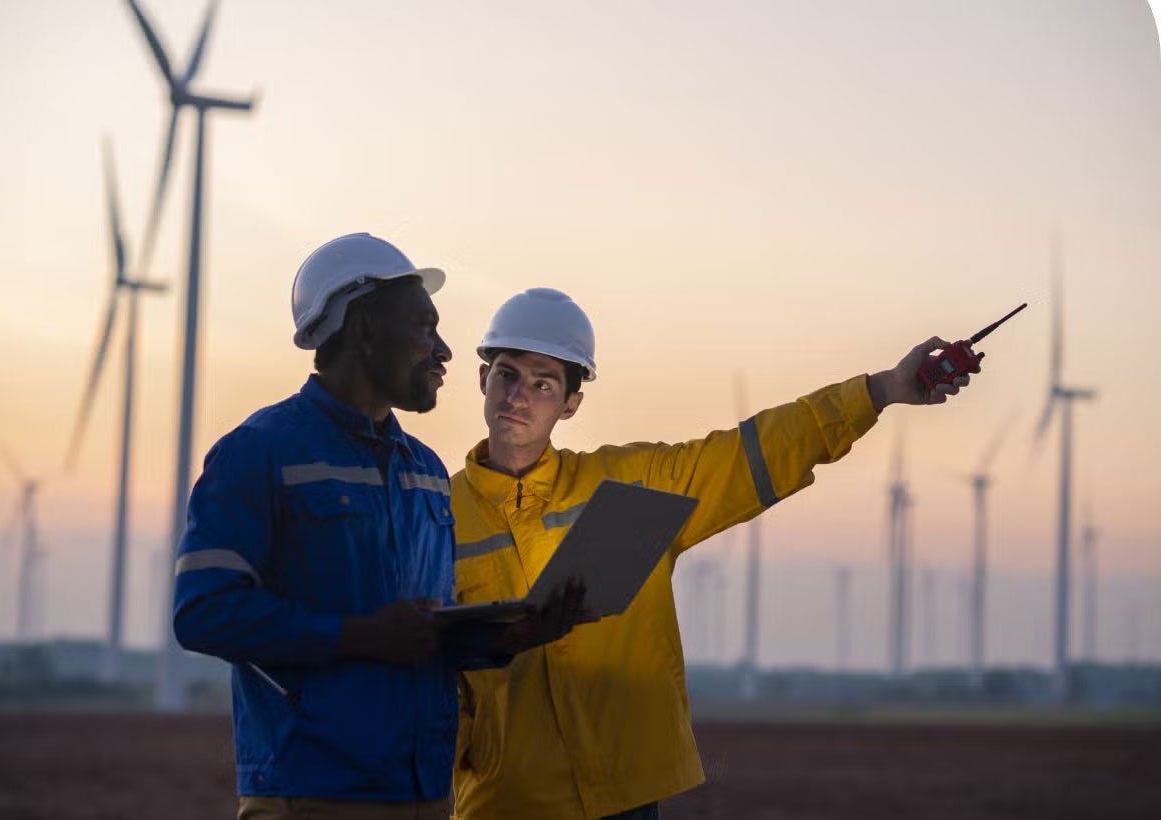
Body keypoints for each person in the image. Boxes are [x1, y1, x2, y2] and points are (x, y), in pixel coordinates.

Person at [449, 287, 975, 820]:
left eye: (542, 383)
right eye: (507, 374)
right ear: (482, 378)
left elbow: (757, 450)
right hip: (505, 799)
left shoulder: (628, 489)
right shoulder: (436, 512)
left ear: (571, 402)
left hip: (623, 796)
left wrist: (880, 390)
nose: (517, 396)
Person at [171, 236, 584, 820]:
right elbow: (203, 612)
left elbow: (421, 633)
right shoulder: (259, 453)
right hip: (311, 792)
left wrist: (510, 637)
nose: (443, 351)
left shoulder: (426, 471)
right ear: (365, 328)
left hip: (421, 794)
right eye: (425, 328)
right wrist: (360, 635)